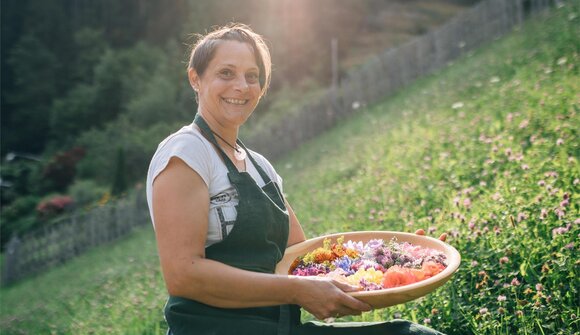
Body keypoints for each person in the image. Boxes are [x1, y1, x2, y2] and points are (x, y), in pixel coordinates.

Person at [146, 23, 447, 335]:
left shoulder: (260, 166)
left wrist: (399, 259)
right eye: (226, 73)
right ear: (195, 78)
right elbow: (183, 274)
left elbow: (303, 259)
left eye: (252, 76)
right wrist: (296, 291)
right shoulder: (186, 152)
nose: (242, 86)